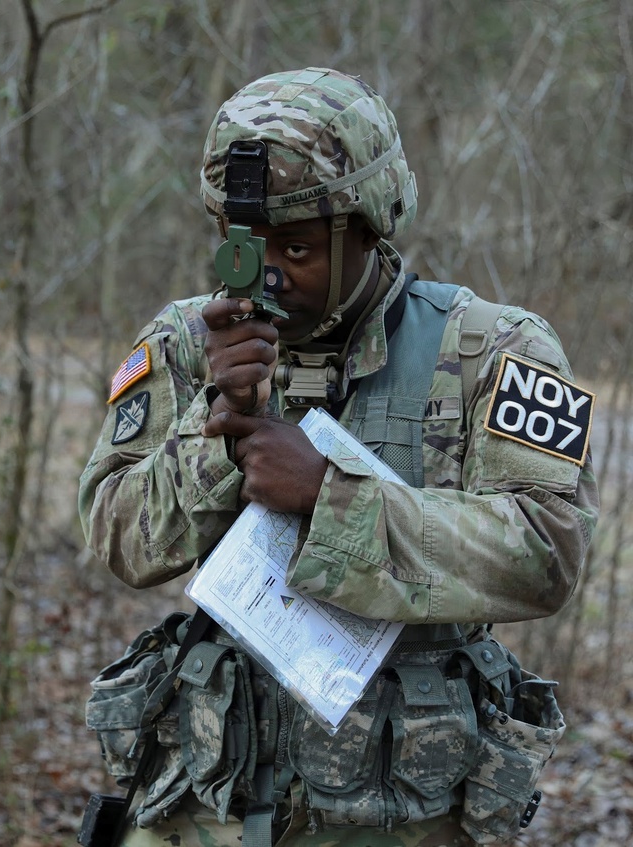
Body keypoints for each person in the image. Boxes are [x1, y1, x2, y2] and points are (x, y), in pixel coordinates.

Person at [77, 68, 599, 847]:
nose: (270, 274)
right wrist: (217, 421)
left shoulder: (493, 349)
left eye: (297, 246)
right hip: (209, 797)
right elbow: (119, 535)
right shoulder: (189, 341)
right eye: (244, 246)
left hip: (402, 811)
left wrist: (330, 495)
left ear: (368, 226)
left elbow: (547, 548)